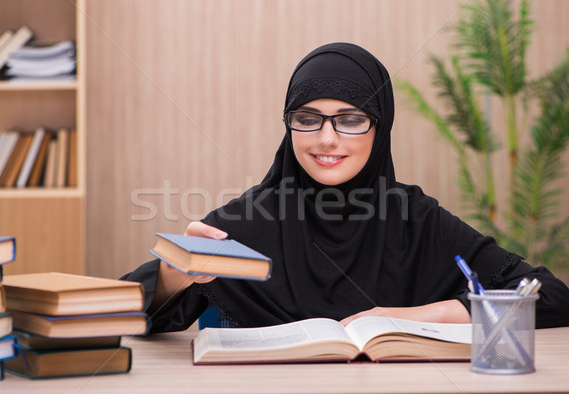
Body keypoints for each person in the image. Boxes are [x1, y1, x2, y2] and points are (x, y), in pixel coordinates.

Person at [121, 42, 569, 332]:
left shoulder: (416, 218)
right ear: (289, 126)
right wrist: (175, 275)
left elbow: (550, 296)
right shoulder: (246, 222)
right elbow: (123, 309)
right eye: (307, 118)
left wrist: (406, 317)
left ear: (380, 129)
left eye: (351, 119)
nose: (327, 138)